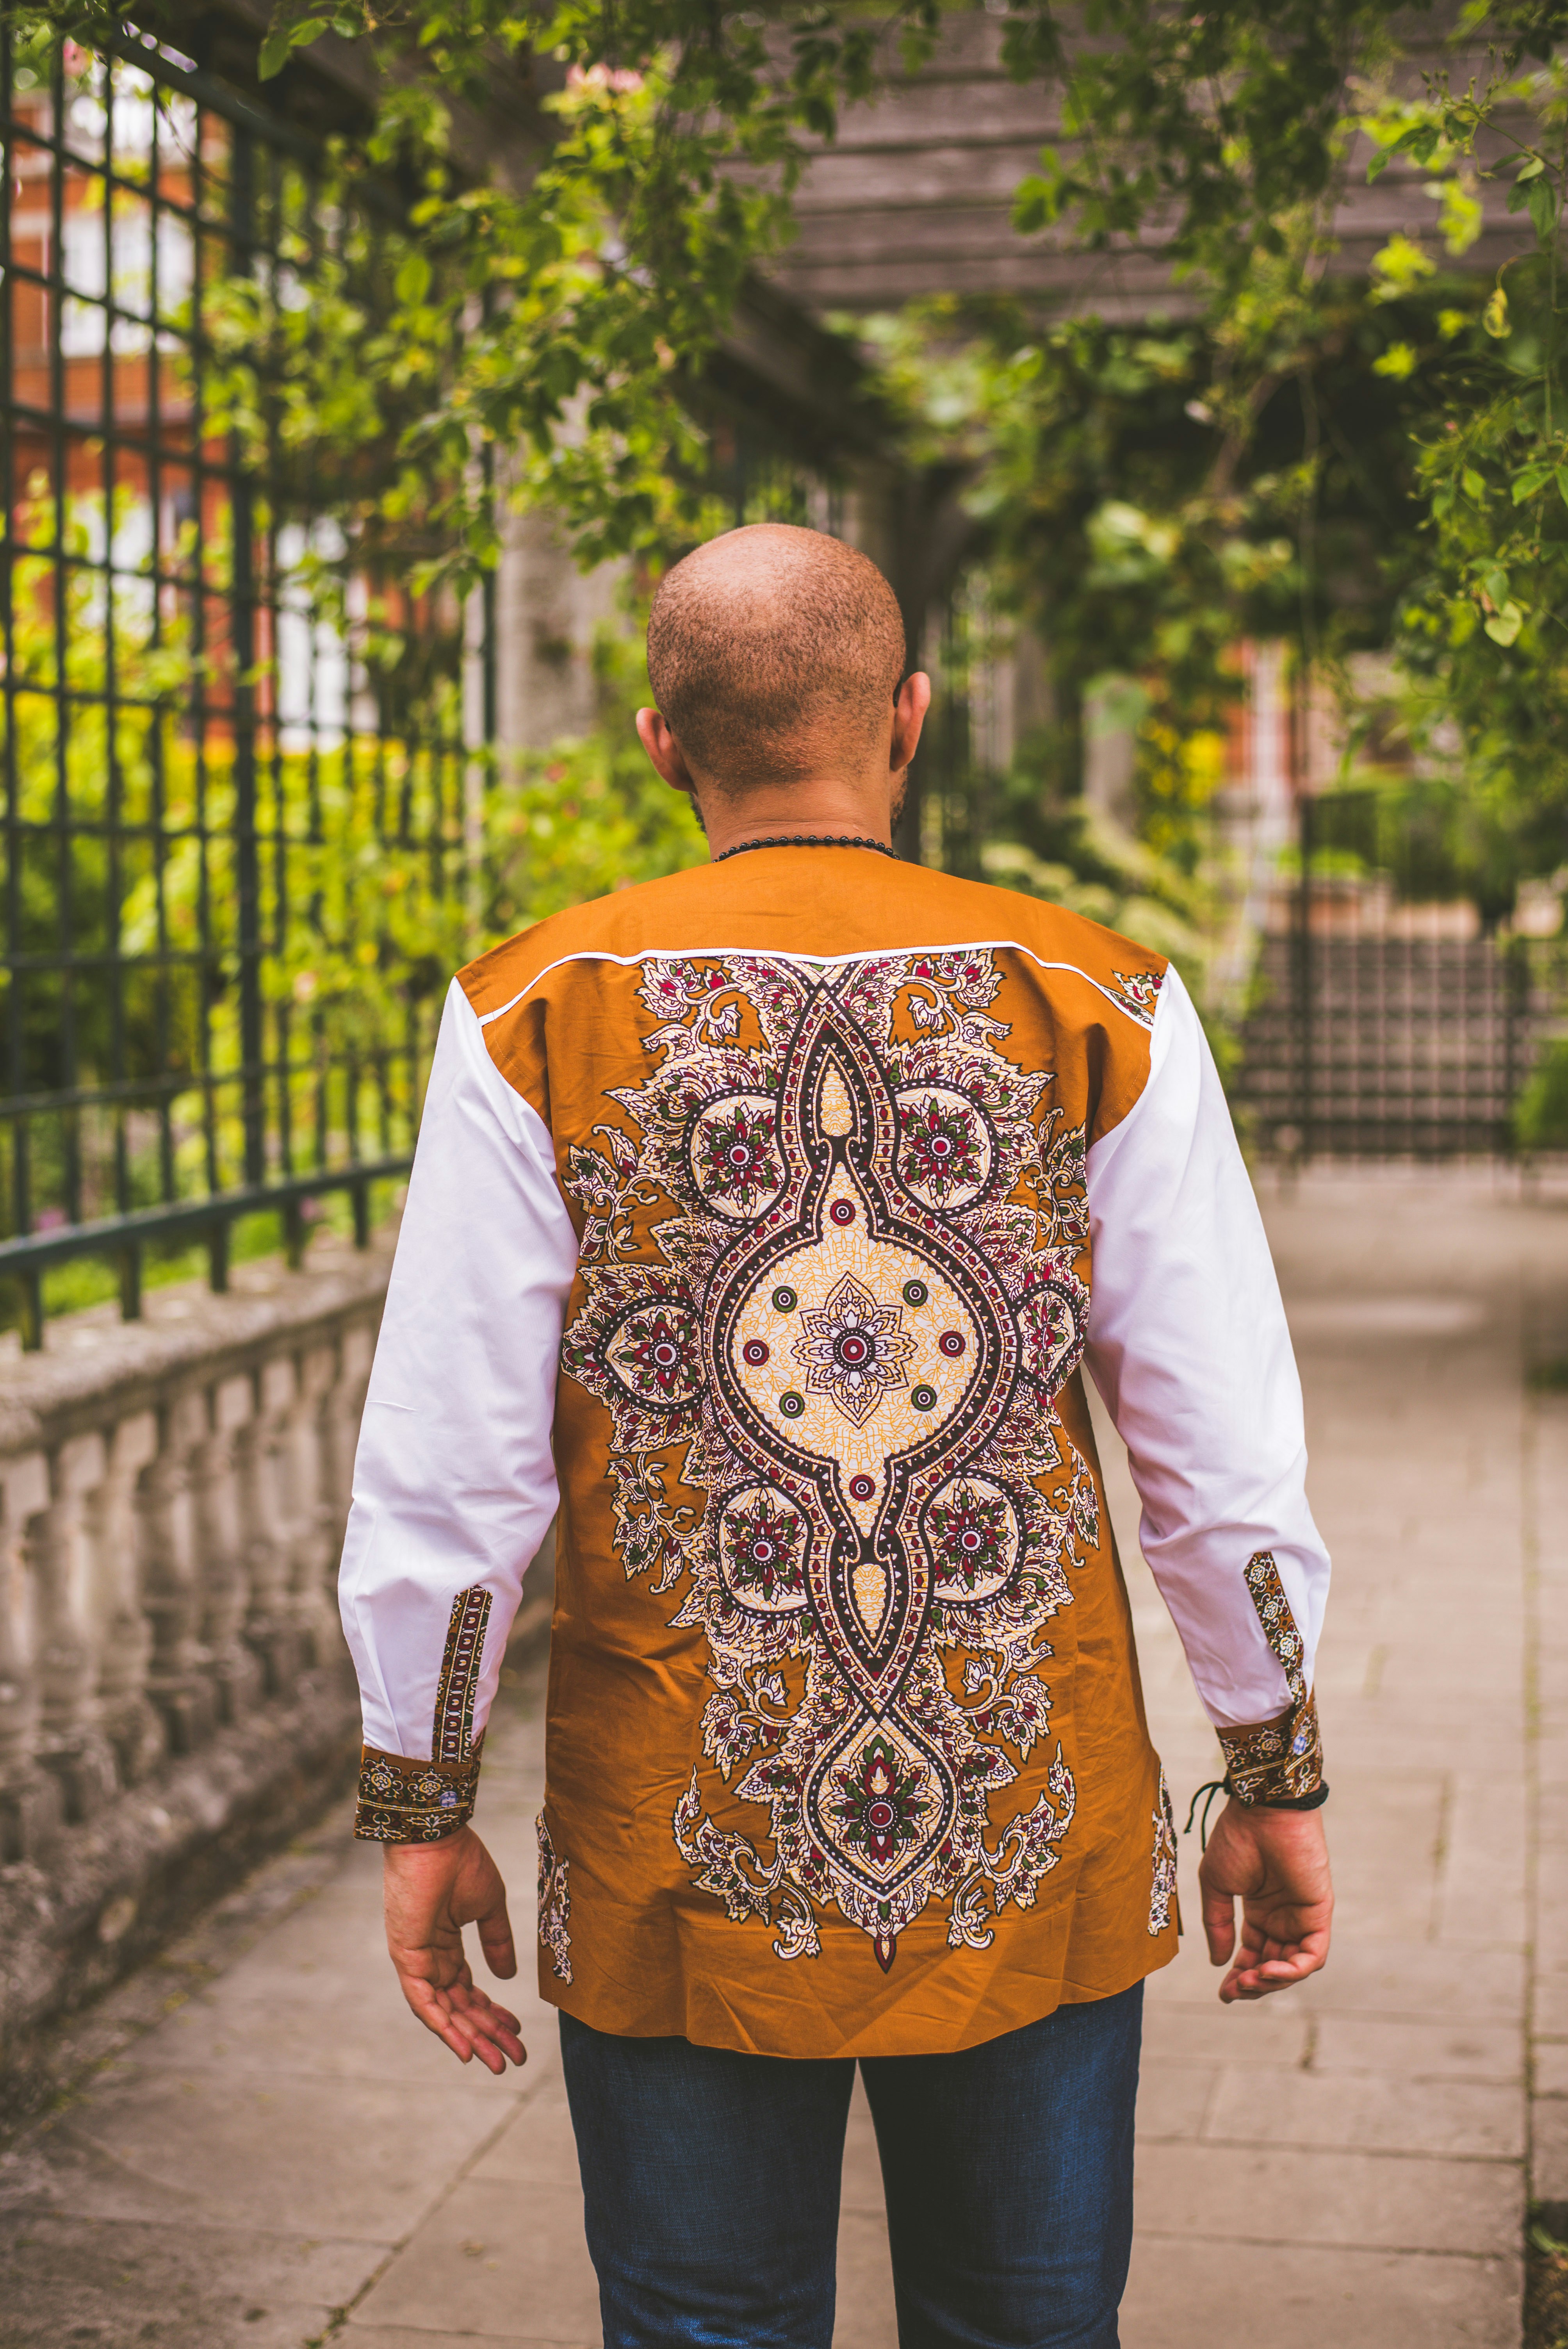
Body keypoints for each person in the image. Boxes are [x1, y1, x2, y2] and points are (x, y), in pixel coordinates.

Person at [338, 524, 1333, 2349]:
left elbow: (452, 1464)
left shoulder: (531, 1012)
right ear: (911, 716)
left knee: (705, 2331)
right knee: (1027, 2326)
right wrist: (1268, 1768)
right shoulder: (1097, 996)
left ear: (659, 742)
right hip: (1025, 1810)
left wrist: (424, 1796)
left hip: (677, 1825)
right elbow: (1214, 1450)